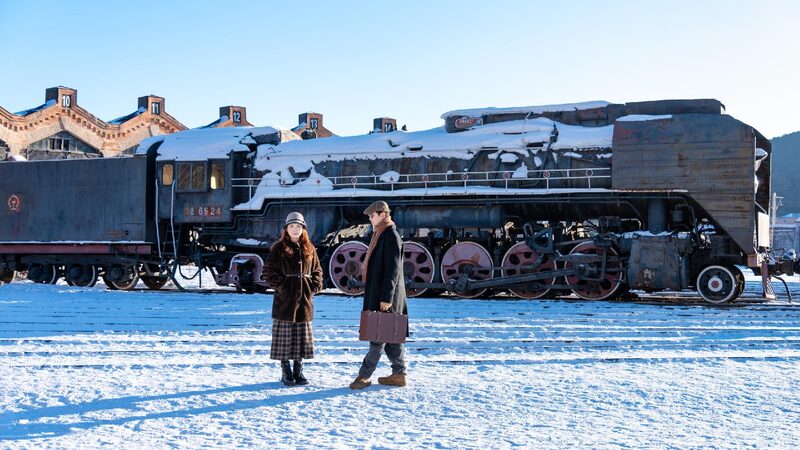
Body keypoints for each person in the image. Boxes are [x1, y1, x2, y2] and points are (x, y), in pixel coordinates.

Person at [350, 201, 409, 389]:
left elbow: (392, 271)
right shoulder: (382, 234)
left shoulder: (390, 236)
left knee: (378, 337)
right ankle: (399, 374)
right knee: (391, 335)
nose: (370, 219)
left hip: (385, 296)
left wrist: (386, 298)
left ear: (382, 214)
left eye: (372, 216)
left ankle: (364, 377)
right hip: (383, 294)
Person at [263, 212, 323, 386]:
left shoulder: (310, 248)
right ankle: (285, 370)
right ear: (286, 229)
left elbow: (318, 270)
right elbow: (268, 271)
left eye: (298, 226)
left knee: (300, 337)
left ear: (303, 229)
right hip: (284, 301)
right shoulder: (278, 248)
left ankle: (298, 369)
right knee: (284, 337)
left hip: (304, 300)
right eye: (292, 226)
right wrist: (282, 287)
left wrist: (314, 286)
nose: (295, 229)